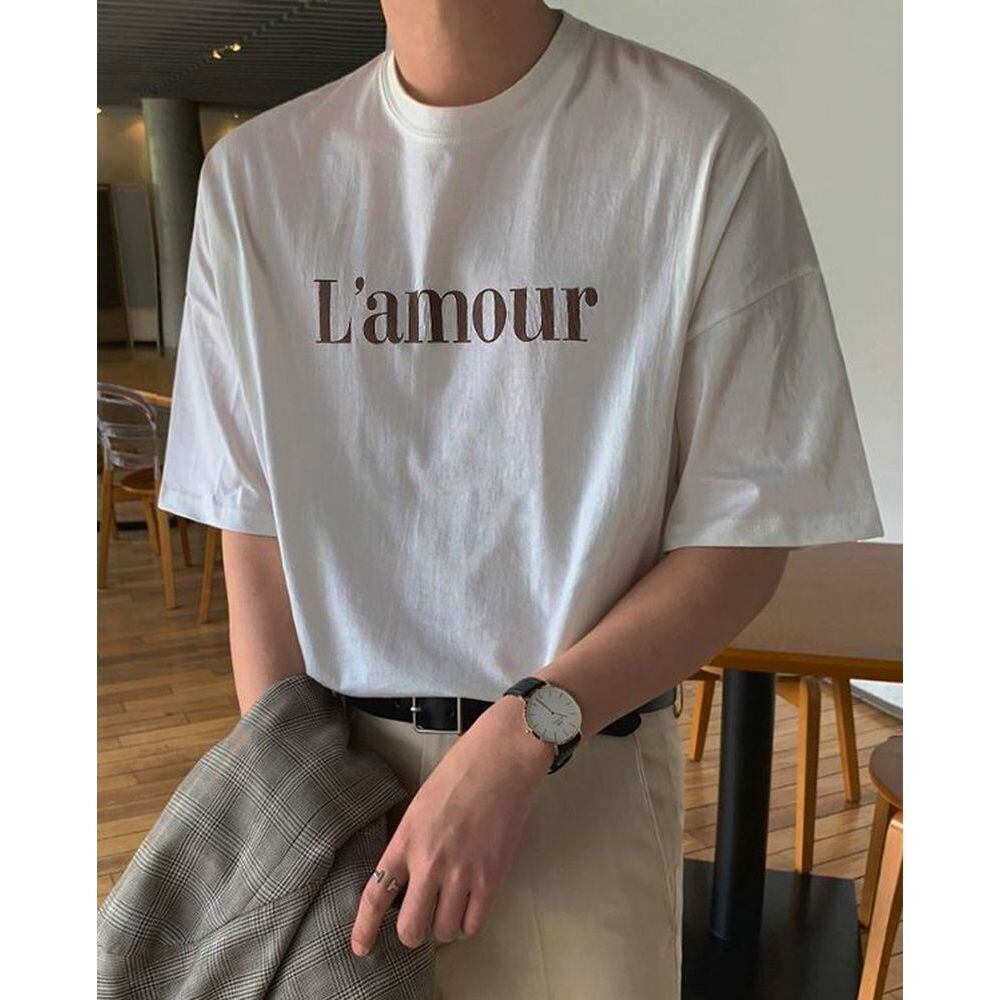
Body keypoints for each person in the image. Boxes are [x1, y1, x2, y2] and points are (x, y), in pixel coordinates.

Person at [157, 2, 883, 997]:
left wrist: (523, 734)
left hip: (580, 775)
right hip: (331, 779)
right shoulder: (256, 179)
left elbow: (743, 539)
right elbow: (254, 532)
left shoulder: (699, 145)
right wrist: (294, 798)